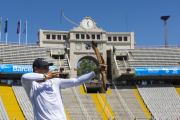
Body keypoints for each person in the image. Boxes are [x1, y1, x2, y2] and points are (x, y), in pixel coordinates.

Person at [21, 58, 107, 120]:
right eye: (44, 68)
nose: (47, 70)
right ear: (36, 69)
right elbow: (24, 77)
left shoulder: (55, 81)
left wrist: (95, 72)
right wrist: (46, 76)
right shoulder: (32, 86)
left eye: (48, 68)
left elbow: (77, 81)